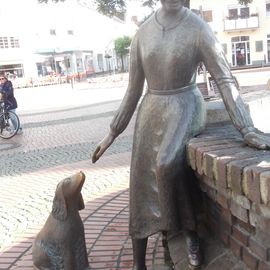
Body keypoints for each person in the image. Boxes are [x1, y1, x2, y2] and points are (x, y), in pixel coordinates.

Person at [92, 0, 270, 269]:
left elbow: (223, 78)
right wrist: (112, 133)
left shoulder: (198, 28)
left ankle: (189, 232)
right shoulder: (142, 33)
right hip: (150, 111)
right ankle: (139, 259)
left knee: (166, 164)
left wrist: (245, 127)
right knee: (140, 179)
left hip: (185, 104)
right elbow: (133, 90)